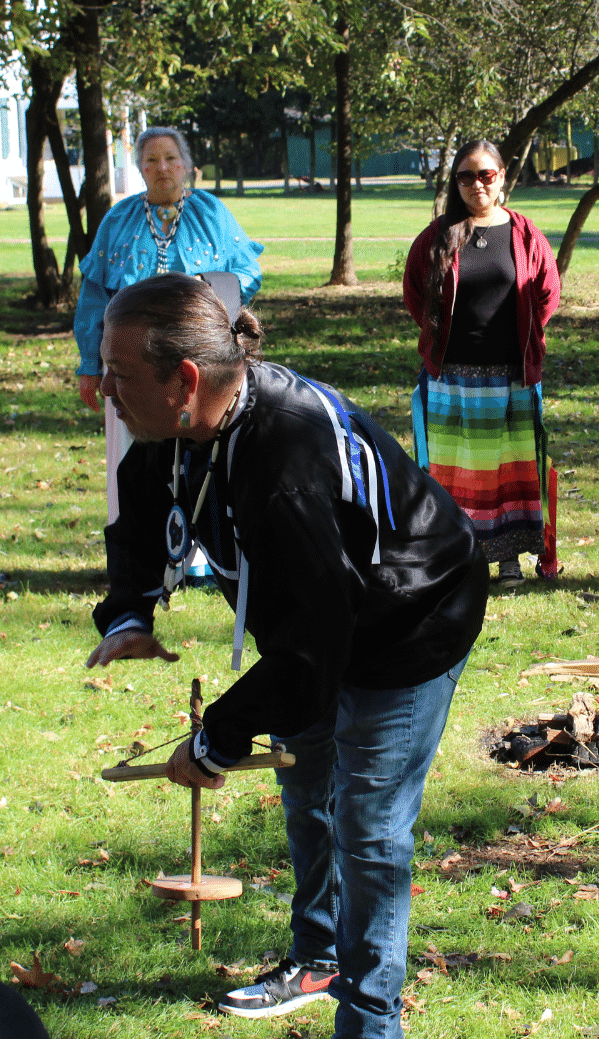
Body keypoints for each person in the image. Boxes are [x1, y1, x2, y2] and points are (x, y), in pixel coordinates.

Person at [85, 272, 488, 1039]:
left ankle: (370, 1024)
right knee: (307, 790)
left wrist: (219, 738)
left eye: (119, 373)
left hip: (413, 616)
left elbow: (315, 649)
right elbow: (141, 504)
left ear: (186, 379)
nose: (103, 387)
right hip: (316, 619)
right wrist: (130, 610)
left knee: (368, 829)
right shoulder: (179, 429)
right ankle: (317, 956)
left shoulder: (284, 454)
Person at [73, 125, 263, 524]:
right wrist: (90, 365)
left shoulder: (212, 213)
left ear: (188, 166)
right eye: (151, 160)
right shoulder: (118, 220)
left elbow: (246, 271)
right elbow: (93, 297)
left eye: (171, 159)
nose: (162, 168)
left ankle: (201, 539)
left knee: (198, 439)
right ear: (140, 168)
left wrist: (211, 292)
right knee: (134, 449)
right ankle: (136, 532)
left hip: (196, 357)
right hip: (129, 360)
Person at [403, 139, 561, 591]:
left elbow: (546, 291)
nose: (476, 184)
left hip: (511, 375)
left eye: (486, 175)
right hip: (453, 377)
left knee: (510, 471)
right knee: (455, 473)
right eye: (466, 177)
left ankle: (509, 558)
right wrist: (439, 336)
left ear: (503, 177)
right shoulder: (438, 236)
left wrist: (524, 337)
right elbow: (416, 293)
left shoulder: (526, 235)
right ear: (456, 183)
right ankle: (461, 557)